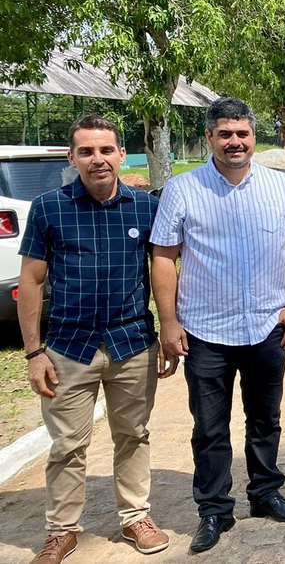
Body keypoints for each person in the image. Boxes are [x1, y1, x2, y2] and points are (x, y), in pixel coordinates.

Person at [151, 97, 285, 553]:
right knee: (209, 427)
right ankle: (215, 510)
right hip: (205, 331)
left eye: (242, 133)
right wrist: (169, 321)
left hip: (267, 326)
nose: (235, 142)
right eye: (225, 134)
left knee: (266, 418)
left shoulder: (280, 187)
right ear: (209, 137)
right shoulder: (183, 190)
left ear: (253, 137)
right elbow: (163, 256)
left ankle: (264, 493)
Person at [18, 115, 172, 563]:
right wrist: (33, 352)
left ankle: (135, 517)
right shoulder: (49, 208)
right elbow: (31, 281)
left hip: (132, 343)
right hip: (68, 348)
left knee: (133, 435)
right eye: (86, 151)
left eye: (106, 150)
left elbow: (163, 271)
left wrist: (166, 331)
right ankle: (61, 530)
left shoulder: (145, 209)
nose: (97, 159)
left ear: (122, 155)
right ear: (72, 158)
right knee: (68, 444)